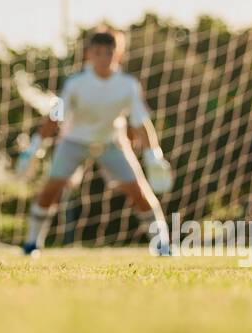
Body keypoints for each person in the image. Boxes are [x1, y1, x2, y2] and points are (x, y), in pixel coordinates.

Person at [22, 30, 172, 256]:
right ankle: (32, 243)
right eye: (98, 52)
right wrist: (36, 146)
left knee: (138, 190)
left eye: (109, 52)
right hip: (74, 141)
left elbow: (141, 122)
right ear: (88, 55)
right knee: (50, 189)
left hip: (111, 142)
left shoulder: (128, 85)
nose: (104, 57)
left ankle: (162, 244)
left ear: (118, 54)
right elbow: (56, 116)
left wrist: (154, 154)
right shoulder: (76, 84)